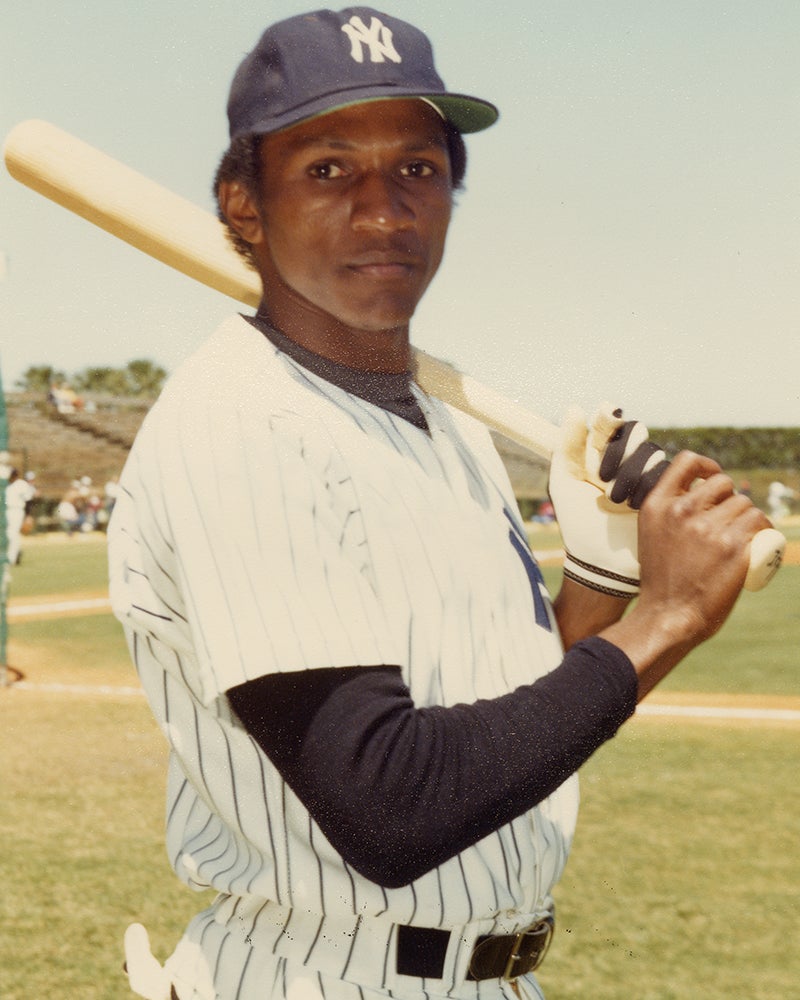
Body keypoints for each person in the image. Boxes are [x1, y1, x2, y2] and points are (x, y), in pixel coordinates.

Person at [107, 9, 769, 1000]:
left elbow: (488, 727)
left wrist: (595, 587)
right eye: (328, 169)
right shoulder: (237, 429)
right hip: (316, 977)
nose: (382, 210)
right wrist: (666, 617)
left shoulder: (444, 423)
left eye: (414, 168)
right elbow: (388, 806)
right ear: (243, 205)